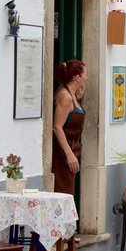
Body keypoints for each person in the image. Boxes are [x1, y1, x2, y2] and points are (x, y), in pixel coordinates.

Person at [53, 60, 87, 197]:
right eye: (85, 74)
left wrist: (78, 97)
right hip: (62, 155)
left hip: (71, 150)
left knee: (67, 194)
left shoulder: (71, 95)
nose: (87, 77)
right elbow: (57, 127)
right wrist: (69, 154)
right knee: (63, 194)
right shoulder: (65, 97)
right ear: (77, 77)